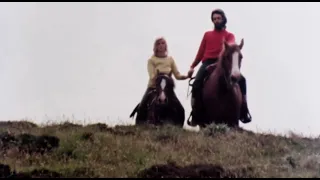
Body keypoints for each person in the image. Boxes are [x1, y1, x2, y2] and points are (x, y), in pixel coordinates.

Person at [187, 9, 252, 126]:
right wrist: (193, 66)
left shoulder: (229, 35)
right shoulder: (207, 35)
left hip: (223, 61)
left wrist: (228, 49)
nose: (216, 21)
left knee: (242, 80)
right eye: (214, 19)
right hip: (207, 62)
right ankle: (195, 114)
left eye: (218, 18)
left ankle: (244, 110)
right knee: (196, 83)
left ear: (223, 19)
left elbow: (232, 44)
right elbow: (201, 52)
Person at [135, 37, 190, 122]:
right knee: (142, 107)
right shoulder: (151, 60)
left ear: (166, 46)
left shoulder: (170, 59)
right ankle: (138, 125)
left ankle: (179, 126)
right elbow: (152, 76)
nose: (161, 45)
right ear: (155, 47)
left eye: (163, 43)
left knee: (180, 109)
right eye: (158, 44)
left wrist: (187, 76)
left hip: (167, 89)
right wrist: (162, 76)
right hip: (154, 87)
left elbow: (177, 75)